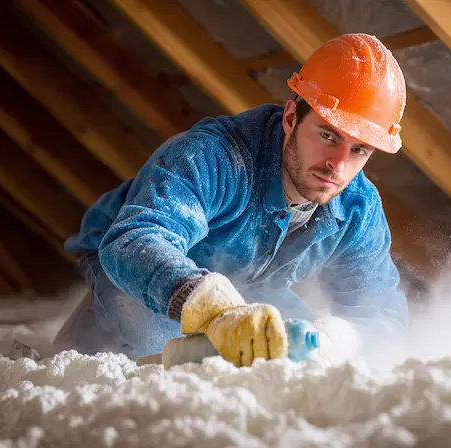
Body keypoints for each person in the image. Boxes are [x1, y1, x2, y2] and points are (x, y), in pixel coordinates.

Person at [61, 33, 410, 367]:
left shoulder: (357, 208)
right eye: (326, 135)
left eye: (359, 150)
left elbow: (383, 313)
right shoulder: (214, 156)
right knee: (162, 354)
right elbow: (133, 241)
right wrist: (215, 311)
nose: (339, 164)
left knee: (298, 349)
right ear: (291, 118)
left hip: (249, 284)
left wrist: (339, 338)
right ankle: (74, 347)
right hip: (138, 265)